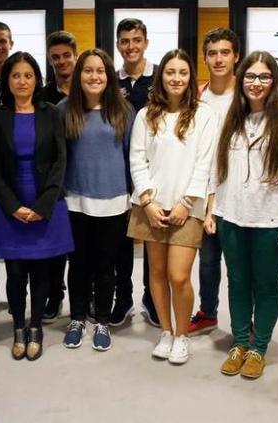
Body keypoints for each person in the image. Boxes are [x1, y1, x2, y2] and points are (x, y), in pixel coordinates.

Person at [206, 51, 278, 379]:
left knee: (265, 284)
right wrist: (211, 209)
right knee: (237, 282)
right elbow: (215, 167)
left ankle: (259, 347)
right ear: (241, 80)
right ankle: (239, 343)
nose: (256, 83)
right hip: (231, 215)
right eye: (250, 76)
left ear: (274, 81)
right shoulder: (230, 116)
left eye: (264, 76)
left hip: (271, 220)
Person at [128, 49, 218, 364]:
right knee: (156, 272)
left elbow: (205, 163)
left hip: (187, 208)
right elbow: (137, 159)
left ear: (190, 77)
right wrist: (148, 201)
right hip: (151, 205)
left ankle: (182, 335)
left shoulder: (205, 114)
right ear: (161, 76)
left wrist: (186, 202)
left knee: (178, 275)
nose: (176, 78)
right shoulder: (145, 114)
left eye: (182, 72)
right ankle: (165, 331)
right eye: (170, 72)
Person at [0, 52, 73, 360]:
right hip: (10, 205)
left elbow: (61, 161)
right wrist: (13, 206)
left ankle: (36, 326)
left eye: (28, 75)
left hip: (45, 203)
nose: (22, 81)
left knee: (42, 271)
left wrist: (43, 204)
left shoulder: (51, 113)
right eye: (15, 75)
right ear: (7, 80)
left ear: (37, 79)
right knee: (15, 273)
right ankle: (17, 328)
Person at [58, 49, 134, 351]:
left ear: (109, 75)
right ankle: (77, 317)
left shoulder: (123, 110)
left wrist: (133, 197)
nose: (94, 76)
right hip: (75, 200)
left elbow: (132, 158)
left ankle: (102, 319)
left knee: (106, 266)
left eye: (100, 71)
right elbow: (59, 158)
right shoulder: (65, 110)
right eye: (88, 71)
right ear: (79, 76)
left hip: (114, 201)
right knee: (78, 265)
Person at [188, 27, 240, 336]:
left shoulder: (246, 93)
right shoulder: (198, 96)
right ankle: (208, 312)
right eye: (212, 53)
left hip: (237, 192)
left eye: (224, 52)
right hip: (205, 188)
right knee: (207, 260)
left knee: (237, 265)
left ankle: (241, 319)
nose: (218, 59)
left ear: (236, 56)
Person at [115, 18, 157, 327]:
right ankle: (124, 297)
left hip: (154, 175)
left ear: (145, 42)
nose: (131, 46)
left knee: (152, 240)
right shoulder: (110, 81)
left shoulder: (160, 77)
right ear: (118, 45)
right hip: (119, 175)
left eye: (137, 40)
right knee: (121, 243)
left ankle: (152, 298)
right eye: (125, 41)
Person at [39, 30, 78, 322]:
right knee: (53, 249)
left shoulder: (89, 88)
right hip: (53, 180)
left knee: (80, 248)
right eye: (56, 57)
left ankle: (83, 296)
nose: (62, 61)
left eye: (66, 55)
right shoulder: (43, 96)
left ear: (75, 56)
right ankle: (54, 295)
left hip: (83, 179)